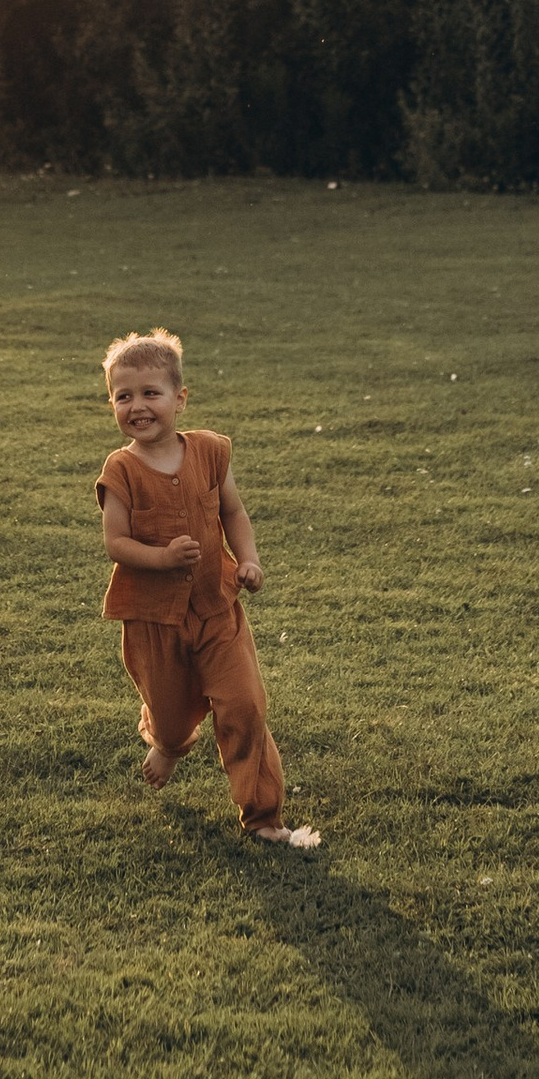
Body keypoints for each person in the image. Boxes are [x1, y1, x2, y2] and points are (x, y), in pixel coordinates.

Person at [95, 328, 319, 848]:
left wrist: (249, 560)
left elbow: (233, 511)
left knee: (244, 705)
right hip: (153, 620)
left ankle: (263, 817)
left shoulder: (210, 453)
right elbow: (116, 544)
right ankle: (169, 744)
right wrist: (162, 558)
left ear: (180, 398)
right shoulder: (121, 469)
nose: (137, 406)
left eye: (150, 393)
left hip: (217, 608)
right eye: (123, 396)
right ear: (111, 403)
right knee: (172, 715)